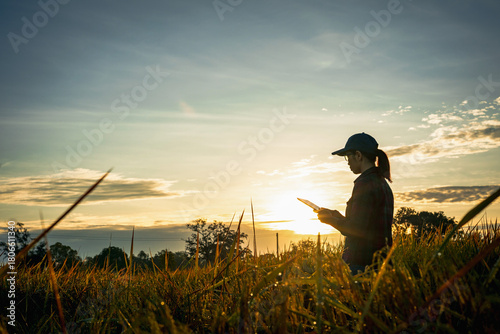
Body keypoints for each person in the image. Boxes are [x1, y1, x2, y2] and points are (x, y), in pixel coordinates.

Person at [316, 132, 394, 275]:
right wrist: (334, 215)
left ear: (358, 155)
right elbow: (363, 224)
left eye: (348, 157)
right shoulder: (381, 183)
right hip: (381, 264)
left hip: (362, 265)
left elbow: (355, 229)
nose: (347, 162)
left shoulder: (365, 184)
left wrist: (329, 220)